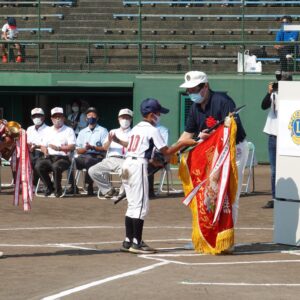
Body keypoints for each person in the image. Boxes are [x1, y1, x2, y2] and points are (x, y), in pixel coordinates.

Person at [116, 98, 197, 254]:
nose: (160, 116)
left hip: (127, 164)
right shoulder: (152, 129)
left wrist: (156, 161)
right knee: (140, 206)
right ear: (152, 114)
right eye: (158, 113)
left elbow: (148, 151)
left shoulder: (136, 128)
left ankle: (128, 240)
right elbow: (166, 151)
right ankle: (136, 243)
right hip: (137, 165)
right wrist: (183, 143)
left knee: (132, 204)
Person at [179, 71, 248, 233]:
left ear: (206, 86)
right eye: (189, 90)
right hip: (211, 153)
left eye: (194, 89)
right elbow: (188, 134)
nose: (191, 93)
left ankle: (226, 235)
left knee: (229, 194)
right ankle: (209, 233)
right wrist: (173, 149)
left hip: (233, 150)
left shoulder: (224, 102)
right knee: (208, 193)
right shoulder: (195, 108)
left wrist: (211, 135)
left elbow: (231, 129)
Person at [261, 71, 293, 209]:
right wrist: (269, 93)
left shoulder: (294, 96)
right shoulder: (274, 94)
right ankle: (275, 198)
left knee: (288, 168)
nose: (279, 83)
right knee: (274, 170)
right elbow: (263, 105)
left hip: (288, 137)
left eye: (282, 81)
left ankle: (289, 196)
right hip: (273, 135)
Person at [88, 108, 133, 200]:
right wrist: (109, 141)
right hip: (110, 159)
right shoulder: (113, 131)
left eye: (127, 118)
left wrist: (118, 141)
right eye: (122, 117)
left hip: (125, 159)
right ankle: (108, 190)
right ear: (118, 119)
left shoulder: (134, 132)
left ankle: (123, 192)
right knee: (92, 170)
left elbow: (132, 146)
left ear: (131, 120)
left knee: (126, 172)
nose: (125, 120)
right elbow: (105, 148)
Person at [35, 107, 76, 197]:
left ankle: (58, 190)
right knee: (38, 166)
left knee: (56, 166)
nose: (57, 119)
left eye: (60, 116)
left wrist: (59, 148)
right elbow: (43, 145)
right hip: (50, 157)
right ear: (51, 119)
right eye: (55, 117)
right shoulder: (47, 130)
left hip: (63, 158)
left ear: (63, 118)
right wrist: (45, 151)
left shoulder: (69, 130)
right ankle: (50, 187)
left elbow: (72, 146)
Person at [69, 107, 108, 195]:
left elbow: (105, 148)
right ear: (86, 118)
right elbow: (78, 150)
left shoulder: (103, 130)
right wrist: (86, 148)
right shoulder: (82, 132)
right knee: (70, 161)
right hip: (83, 155)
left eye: (93, 115)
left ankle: (89, 184)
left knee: (89, 160)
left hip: (97, 157)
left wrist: (93, 147)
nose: (91, 117)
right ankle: (73, 186)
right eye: (89, 116)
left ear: (97, 118)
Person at [26, 108, 49, 187]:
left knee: (35, 159)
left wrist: (36, 146)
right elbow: (27, 142)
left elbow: (47, 145)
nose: (36, 118)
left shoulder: (49, 129)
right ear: (31, 118)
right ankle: (21, 183)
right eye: (34, 116)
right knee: (20, 159)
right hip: (30, 151)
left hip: (43, 153)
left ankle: (35, 183)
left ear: (44, 117)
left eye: (39, 116)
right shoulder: (29, 129)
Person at [148, 123, 169, 198]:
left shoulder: (162, 129)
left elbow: (163, 148)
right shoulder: (141, 129)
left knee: (147, 166)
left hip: (159, 155)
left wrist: (151, 158)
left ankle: (149, 193)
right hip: (145, 156)